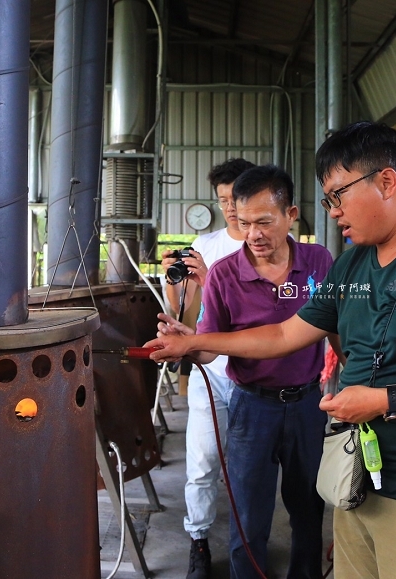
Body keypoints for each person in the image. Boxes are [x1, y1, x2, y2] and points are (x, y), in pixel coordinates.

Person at [147, 122, 396, 579]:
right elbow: (285, 334)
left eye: (337, 196)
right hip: (360, 480)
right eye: (327, 200)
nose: (332, 212)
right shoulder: (354, 263)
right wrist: (193, 341)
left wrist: (386, 399)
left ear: (386, 181)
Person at [159, 164, 334, 579]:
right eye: (243, 222)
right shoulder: (223, 275)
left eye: (264, 222)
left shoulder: (318, 261)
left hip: (308, 403)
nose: (253, 233)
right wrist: (186, 337)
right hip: (252, 408)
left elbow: (336, 325)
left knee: (309, 509)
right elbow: (205, 352)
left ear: (291, 215)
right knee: (248, 517)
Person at [161, 158, 255, 579]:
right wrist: (177, 285)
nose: (230, 208)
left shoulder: (265, 244)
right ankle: (198, 540)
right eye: (223, 200)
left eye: (236, 198)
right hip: (208, 374)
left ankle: (247, 543)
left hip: (255, 376)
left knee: (249, 467)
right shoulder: (204, 245)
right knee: (201, 462)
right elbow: (186, 319)